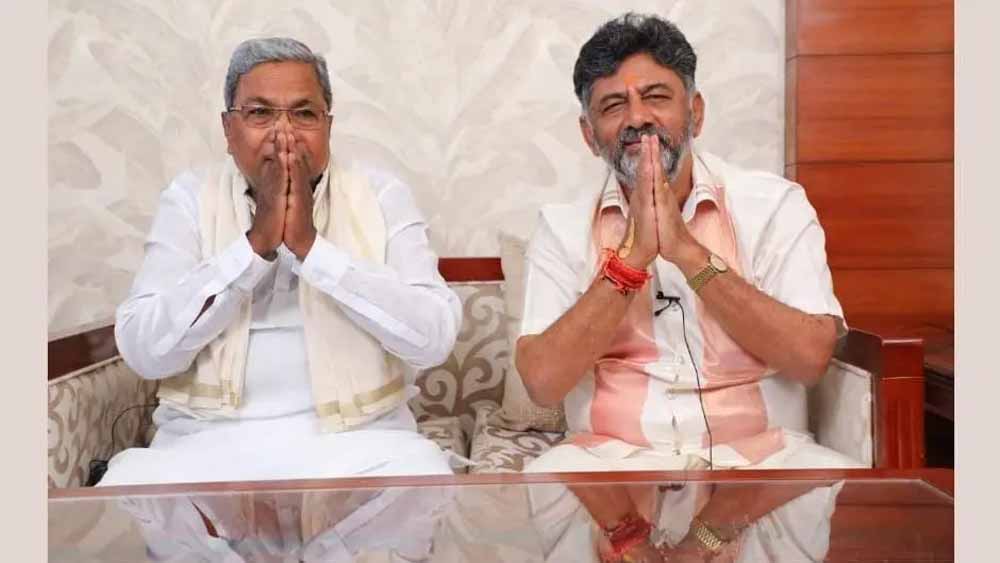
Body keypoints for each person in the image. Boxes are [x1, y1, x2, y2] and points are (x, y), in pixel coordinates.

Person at [514, 13, 861, 561]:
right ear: (588, 134)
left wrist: (688, 254)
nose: (638, 119)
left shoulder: (774, 206)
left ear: (694, 112)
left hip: (763, 464)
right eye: (613, 105)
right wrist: (631, 261)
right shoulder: (560, 227)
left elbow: (811, 358)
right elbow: (542, 381)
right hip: (607, 466)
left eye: (656, 97)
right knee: (546, 484)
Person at [100, 37, 461, 486]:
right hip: (206, 446)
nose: (283, 133)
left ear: (328, 126)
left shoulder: (381, 195)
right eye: (260, 113)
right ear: (228, 130)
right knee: (126, 486)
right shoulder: (189, 198)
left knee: (423, 478)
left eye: (304, 114)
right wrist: (253, 249)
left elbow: (433, 339)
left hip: (361, 444)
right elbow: (143, 350)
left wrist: (313, 250)